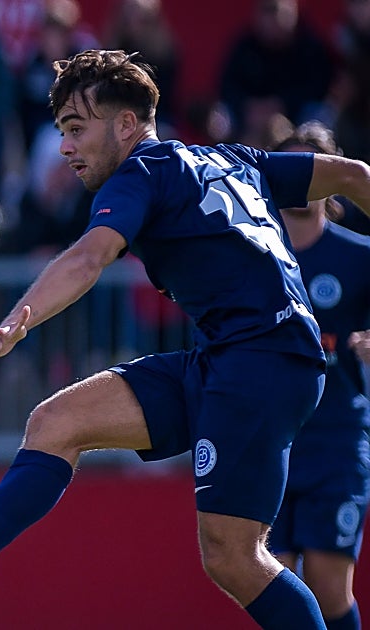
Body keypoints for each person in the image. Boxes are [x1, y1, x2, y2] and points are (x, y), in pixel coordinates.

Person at [0, 49, 370, 629]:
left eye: (75, 129)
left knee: (235, 558)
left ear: (125, 124)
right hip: (235, 360)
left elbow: (92, 255)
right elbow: (354, 176)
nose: (65, 147)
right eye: (62, 131)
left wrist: (23, 314)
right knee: (55, 423)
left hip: (261, 364)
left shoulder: (139, 172)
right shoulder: (231, 158)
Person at [270, 122, 370, 630]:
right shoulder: (255, 257)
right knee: (276, 584)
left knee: (330, 585)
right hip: (270, 441)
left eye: (312, 169)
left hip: (336, 439)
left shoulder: (359, 256)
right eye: (291, 170)